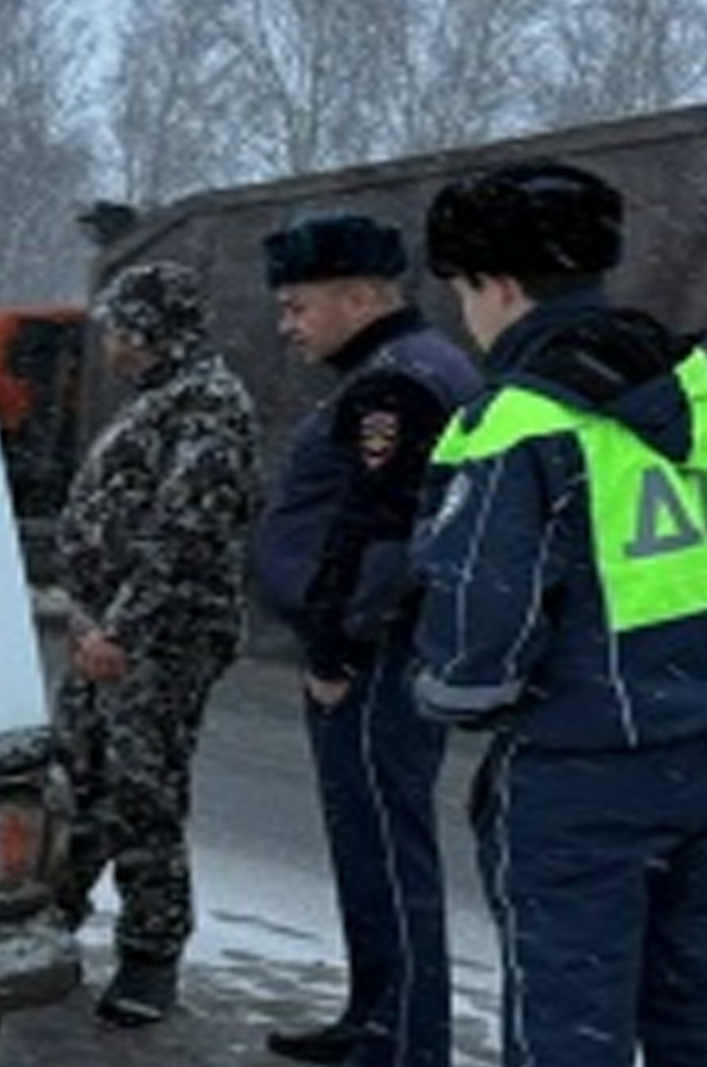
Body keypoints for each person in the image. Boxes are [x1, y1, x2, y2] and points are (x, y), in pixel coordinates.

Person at [412, 160, 707, 1067]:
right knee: (698, 1003)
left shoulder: (516, 423)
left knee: (571, 1025)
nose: (465, 312)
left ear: (495, 284)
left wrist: (452, 689)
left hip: (583, 774)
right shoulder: (706, 391)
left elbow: (477, 634)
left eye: (462, 289)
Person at [253, 213, 479, 1067]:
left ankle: (408, 1042)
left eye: (298, 306)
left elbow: (386, 535)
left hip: (377, 657)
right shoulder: (402, 370)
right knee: (367, 845)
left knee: (388, 849)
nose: (288, 324)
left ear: (360, 295)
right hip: (379, 646)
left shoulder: (399, 383)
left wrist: (334, 651)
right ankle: (374, 1014)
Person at [53, 260, 261, 1026]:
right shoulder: (159, 399)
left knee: (143, 790)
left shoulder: (208, 402)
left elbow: (187, 530)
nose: (109, 340)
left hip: (158, 640)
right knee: (76, 781)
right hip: (105, 632)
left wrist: (123, 628)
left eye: (118, 326)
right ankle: (50, 921)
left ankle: (150, 953)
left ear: (147, 330)